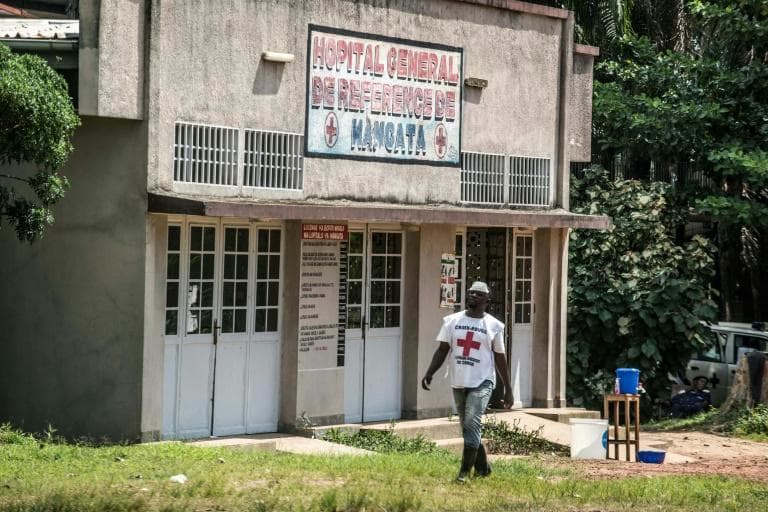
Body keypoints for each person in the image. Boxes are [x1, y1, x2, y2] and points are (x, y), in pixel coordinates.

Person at [421, 281, 513, 482]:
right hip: (459, 381)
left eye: (478, 294)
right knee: (468, 428)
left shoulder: (493, 326)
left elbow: (500, 357)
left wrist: (508, 388)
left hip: (482, 381)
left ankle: (463, 474)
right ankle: (483, 469)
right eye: (471, 293)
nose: (473, 296)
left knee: (472, 423)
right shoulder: (452, 321)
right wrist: (430, 373)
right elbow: (443, 349)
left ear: (487, 300)